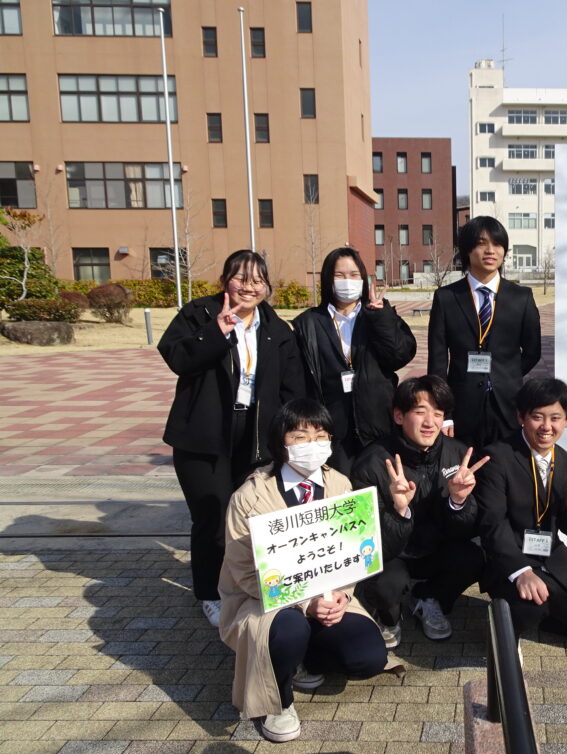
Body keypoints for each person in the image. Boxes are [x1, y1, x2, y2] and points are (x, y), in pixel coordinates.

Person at [219, 399, 388, 742]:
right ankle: (278, 700)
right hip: (265, 601)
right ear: (281, 442)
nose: (312, 445)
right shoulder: (250, 496)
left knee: (368, 656)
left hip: (328, 595)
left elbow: (352, 555)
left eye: (321, 435)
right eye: (300, 436)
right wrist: (305, 603)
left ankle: (307, 659)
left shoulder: (339, 485)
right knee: (289, 628)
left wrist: (340, 595)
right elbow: (244, 572)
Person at [159, 250, 304, 628]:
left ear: (267, 287)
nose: (248, 286)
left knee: (252, 517)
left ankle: (248, 586)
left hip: (255, 437)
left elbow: (292, 389)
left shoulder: (277, 329)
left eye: (257, 281)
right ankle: (209, 592)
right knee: (212, 517)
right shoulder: (200, 314)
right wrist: (217, 332)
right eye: (240, 277)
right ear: (225, 279)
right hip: (204, 436)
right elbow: (175, 356)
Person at [476, 378, 567, 649]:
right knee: (530, 607)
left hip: (551, 554)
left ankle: (546, 604)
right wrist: (521, 571)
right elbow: (492, 525)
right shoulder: (496, 458)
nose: (546, 427)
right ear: (521, 417)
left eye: (556, 418)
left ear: (566, 421)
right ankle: (502, 623)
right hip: (508, 555)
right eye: (537, 417)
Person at [349, 375, 487, 648]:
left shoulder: (458, 454)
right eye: (420, 412)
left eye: (438, 413)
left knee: (473, 557)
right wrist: (400, 511)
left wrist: (458, 502)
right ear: (399, 416)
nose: (430, 422)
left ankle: (428, 598)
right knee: (384, 582)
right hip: (393, 553)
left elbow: (466, 530)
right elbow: (365, 541)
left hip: (435, 548)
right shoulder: (372, 462)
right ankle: (388, 617)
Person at [292, 247, 416, 473]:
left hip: (378, 424)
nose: (346, 281)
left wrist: (380, 317)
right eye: (339, 275)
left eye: (353, 275)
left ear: (363, 279)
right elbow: (299, 380)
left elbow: (400, 355)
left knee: (380, 490)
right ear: (328, 279)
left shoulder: (376, 315)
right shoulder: (308, 323)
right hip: (331, 430)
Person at [427, 216, 541, 448]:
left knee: (506, 471)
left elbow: (533, 350)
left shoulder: (521, 297)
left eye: (498, 244)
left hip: (508, 405)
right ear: (467, 250)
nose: (491, 251)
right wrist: (443, 411)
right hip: (461, 404)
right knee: (463, 472)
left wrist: (505, 374)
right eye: (481, 243)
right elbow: (438, 360)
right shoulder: (447, 297)